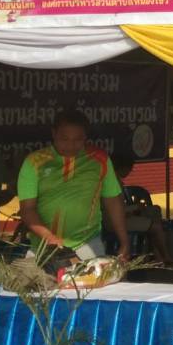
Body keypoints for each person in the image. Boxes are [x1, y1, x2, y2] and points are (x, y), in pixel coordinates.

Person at [16, 110, 129, 261]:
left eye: (77, 139)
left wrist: (124, 241)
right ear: (54, 134)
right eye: (64, 139)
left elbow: (113, 200)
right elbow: (27, 209)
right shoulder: (34, 162)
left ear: (86, 137)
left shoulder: (100, 159)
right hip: (43, 247)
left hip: (88, 244)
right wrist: (49, 238)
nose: (70, 145)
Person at [109, 153, 173, 266]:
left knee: (155, 211)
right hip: (116, 221)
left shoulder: (116, 181)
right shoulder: (111, 183)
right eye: (129, 169)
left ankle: (156, 255)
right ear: (122, 168)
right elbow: (115, 209)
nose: (129, 172)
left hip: (122, 216)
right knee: (156, 227)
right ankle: (166, 257)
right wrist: (135, 207)